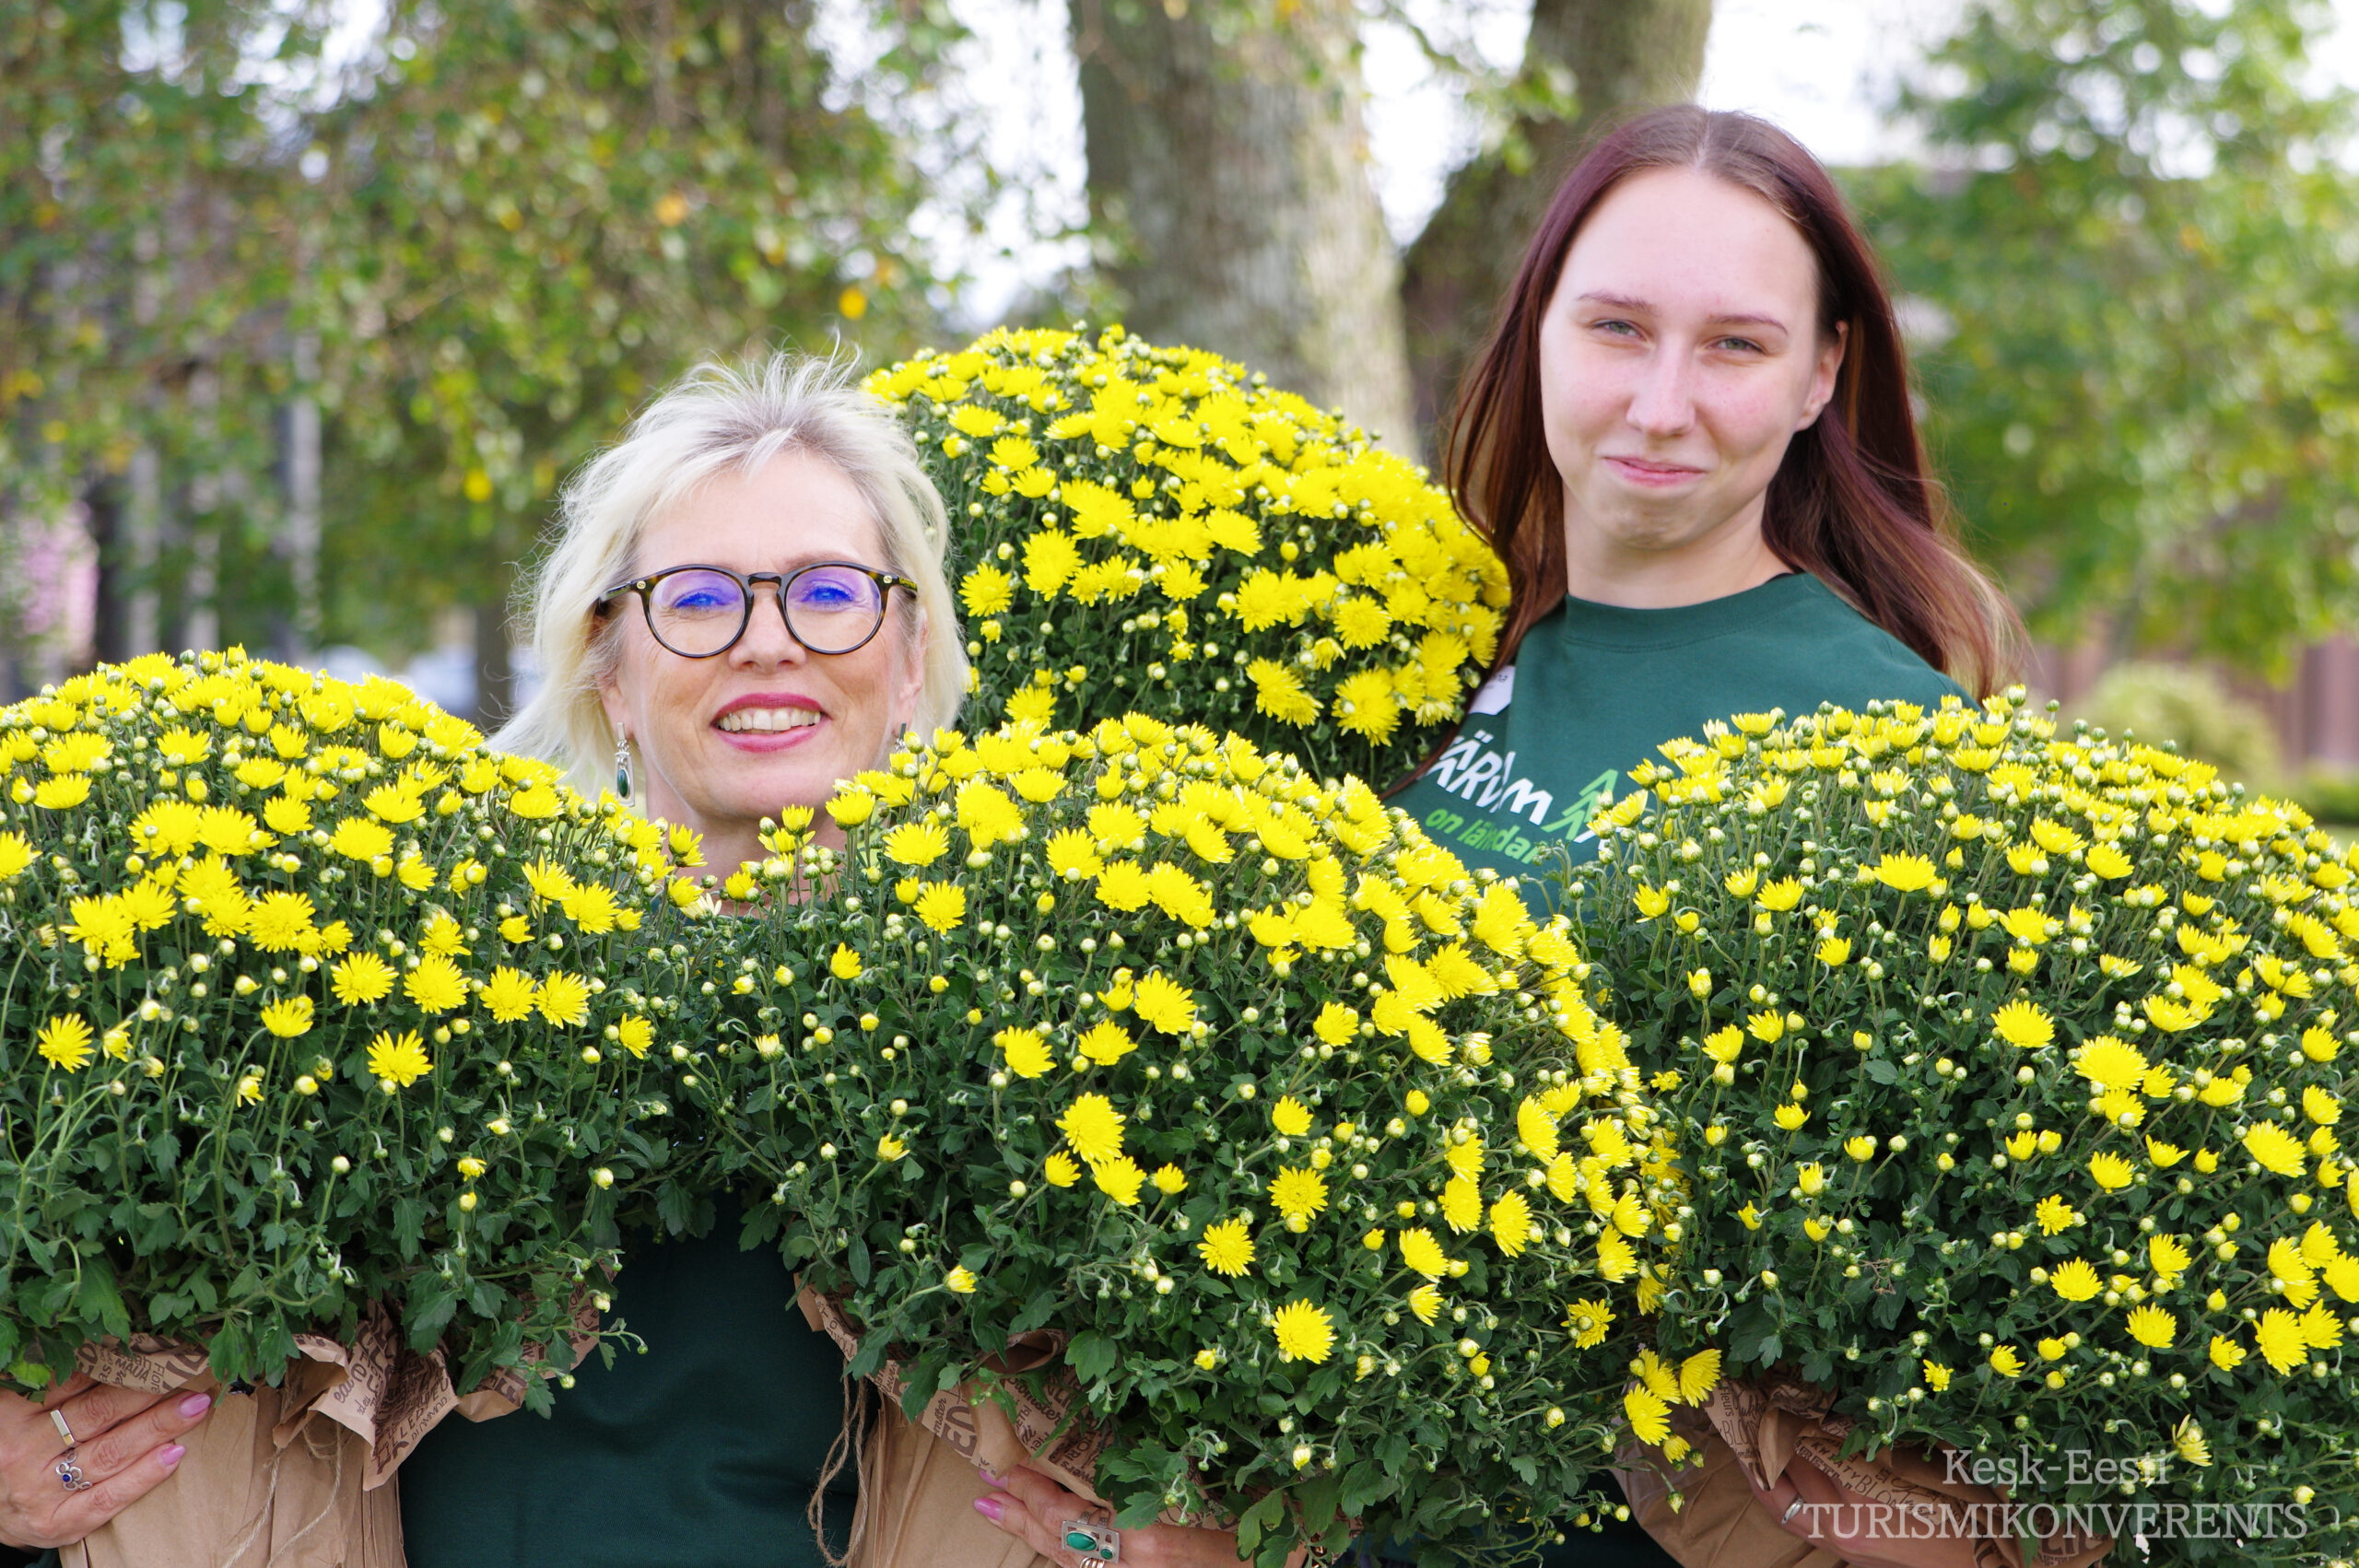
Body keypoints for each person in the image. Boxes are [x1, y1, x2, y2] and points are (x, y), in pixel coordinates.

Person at [1386, 106, 2025, 1568]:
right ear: (1537, 329)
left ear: (1819, 375)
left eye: (1734, 346)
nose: (1662, 403)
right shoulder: (1410, 642)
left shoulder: (1887, 738)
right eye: (1617, 326)